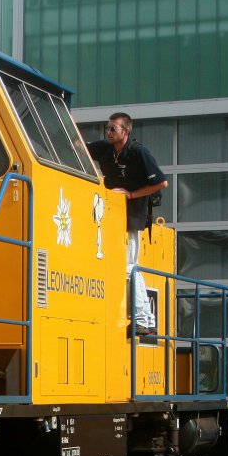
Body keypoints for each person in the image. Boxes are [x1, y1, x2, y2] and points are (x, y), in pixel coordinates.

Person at [88, 113, 168, 337]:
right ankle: (145, 318)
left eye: (113, 129)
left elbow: (161, 182)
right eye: (108, 128)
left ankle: (143, 318)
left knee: (129, 266)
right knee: (127, 266)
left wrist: (131, 194)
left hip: (132, 215)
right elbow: (78, 146)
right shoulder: (105, 148)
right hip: (112, 216)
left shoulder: (138, 152)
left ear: (126, 131)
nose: (109, 132)